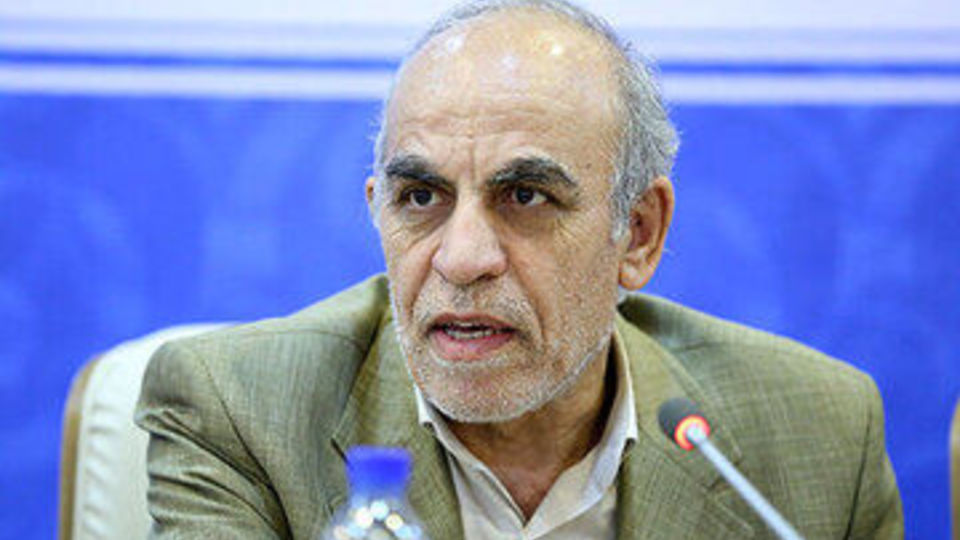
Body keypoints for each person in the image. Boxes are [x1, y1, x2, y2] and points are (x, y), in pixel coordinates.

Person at [135, 1, 903, 538]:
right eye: (421, 197)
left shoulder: (820, 433)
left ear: (638, 233)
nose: (462, 258)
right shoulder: (240, 413)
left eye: (526, 196)